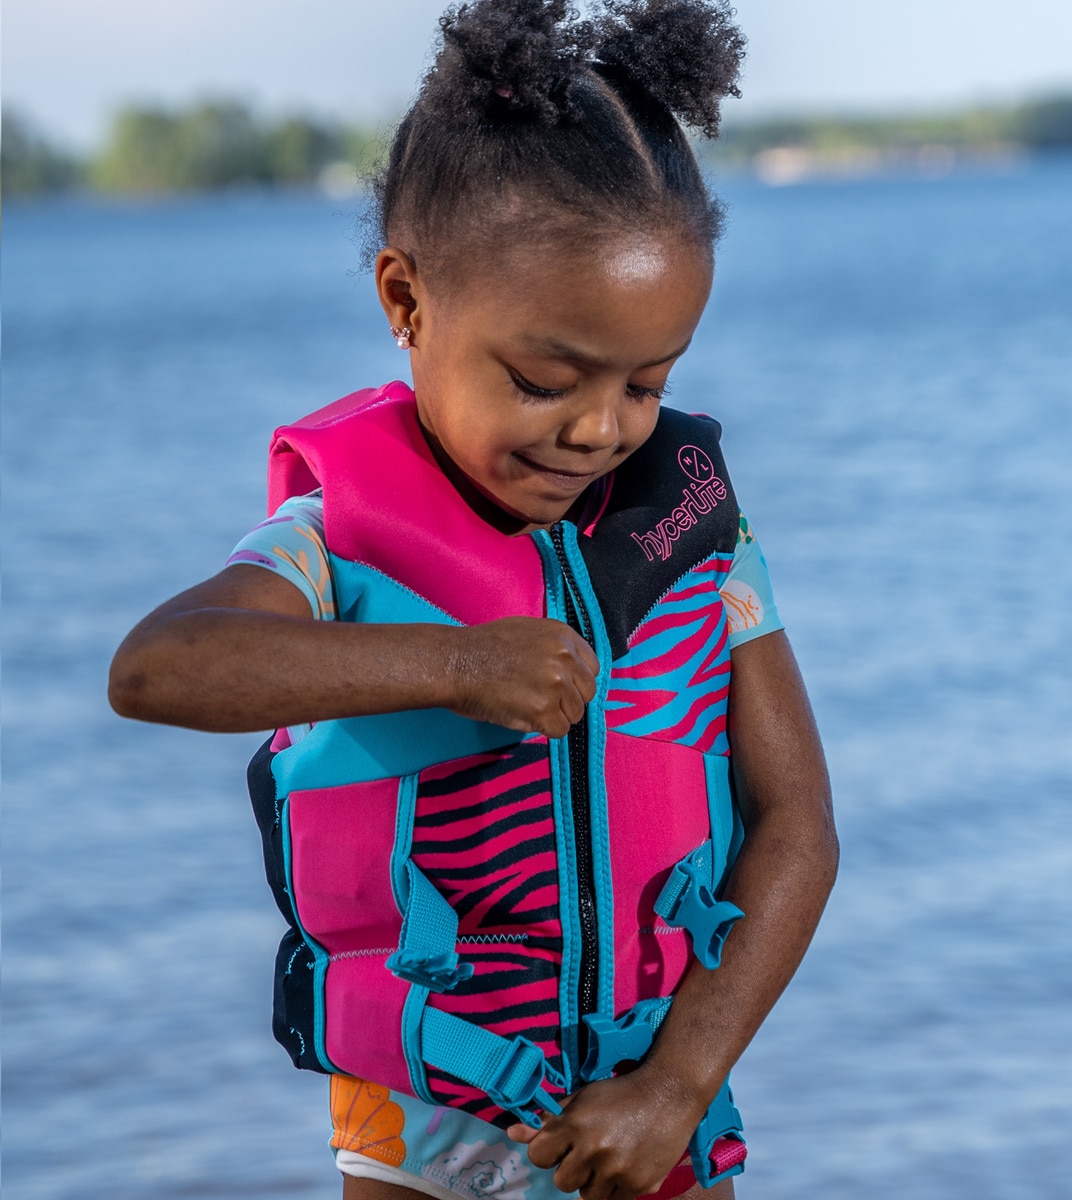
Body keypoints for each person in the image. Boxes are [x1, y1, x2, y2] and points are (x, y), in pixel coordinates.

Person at [108, 1, 839, 1198]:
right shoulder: (331, 540)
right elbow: (156, 668)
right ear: (405, 300)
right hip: (425, 1124)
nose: (602, 428)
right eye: (546, 380)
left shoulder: (704, 533)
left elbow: (800, 824)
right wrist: (451, 667)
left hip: (654, 1102)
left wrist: (679, 1084)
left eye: (648, 385)